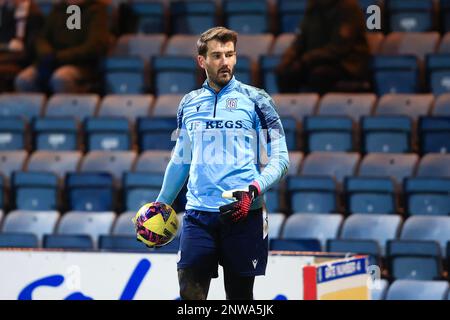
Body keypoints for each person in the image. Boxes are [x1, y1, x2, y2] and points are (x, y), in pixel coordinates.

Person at [154, 27, 289, 300]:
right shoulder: (189, 103)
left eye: (230, 55)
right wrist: (161, 205)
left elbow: (281, 159)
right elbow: (181, 160)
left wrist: (253, 189)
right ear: (201, 61)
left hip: (243, 213)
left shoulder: (257, 100)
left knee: (239, 301)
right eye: (217, 56)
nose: (225, 62)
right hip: (198, 215)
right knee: (190, 297)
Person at [14, 0, 111, 93]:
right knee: (24, 79)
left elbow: (94, 46)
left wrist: (58, 57)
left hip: (82, 65)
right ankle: (35, 110)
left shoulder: (97, 11)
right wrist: (46, 53)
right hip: (51, 61)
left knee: (61, 78)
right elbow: (42, 38)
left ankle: (67, 110)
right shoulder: (58, 9)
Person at [276, 0, 370, 94]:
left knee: (319, 75)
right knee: (285, 73)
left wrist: (305, 60)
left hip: (346, 64)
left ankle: (323, 108)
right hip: (314, 62)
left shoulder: (347, 6)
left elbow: (340, 48)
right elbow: (299, 41)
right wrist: (288, 59)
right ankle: (292, 108)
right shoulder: (313, 6)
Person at [0, 0, 43, 92]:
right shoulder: (7, 11)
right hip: (7, 56)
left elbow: (30, 50)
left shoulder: (34, 14)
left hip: (23, 60)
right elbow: (4, 39)